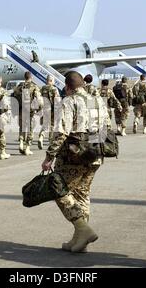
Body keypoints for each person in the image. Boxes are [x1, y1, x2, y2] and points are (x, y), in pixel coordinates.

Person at [41, 71, 109, 253]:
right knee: (82, 195)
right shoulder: (98, 101)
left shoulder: (69, 101)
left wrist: (49, 157)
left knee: (58, 189)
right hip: (95, 154)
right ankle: (80, 240)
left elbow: (62, 132)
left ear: (67, 87)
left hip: (74, 156)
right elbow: (107, 126)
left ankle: (83, 229)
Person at [14, 71, 42, 156]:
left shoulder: (19, 86)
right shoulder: (34, 87)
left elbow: (14, 97)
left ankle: (21, 143)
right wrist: (38, 109)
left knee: (22, 127)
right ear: (31, 77)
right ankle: (27, 148)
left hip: (21, 110)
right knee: (30, 129)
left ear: (24, 77)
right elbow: (39, 100)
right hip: (30, 111)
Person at [38, 75, 60, 150]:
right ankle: (50, 141)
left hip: (45, 109)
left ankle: (41, 135)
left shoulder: (43, 88)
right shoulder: (54, 89)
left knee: (45, 124)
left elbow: (39, 98)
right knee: (52, 125)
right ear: (51, 81)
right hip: (52, 110)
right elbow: (57, 101)